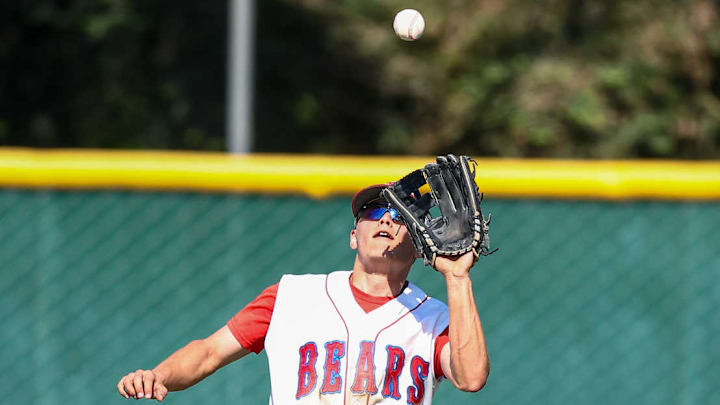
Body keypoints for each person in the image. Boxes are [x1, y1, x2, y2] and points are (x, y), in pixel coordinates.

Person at [117, 183, 490, 404]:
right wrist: (160, 375)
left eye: (402, 214)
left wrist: (458, 278)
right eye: (374, 212)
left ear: (422, 239)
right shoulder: (292, 296)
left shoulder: (436, 317)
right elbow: (210, 351)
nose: (387, 220)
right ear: (352, 236)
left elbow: (471, 378)